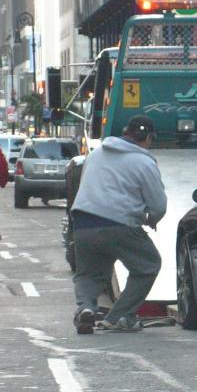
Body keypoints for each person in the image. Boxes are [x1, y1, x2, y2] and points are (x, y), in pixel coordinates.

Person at [72, 115, 167, 334]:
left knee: (89, 274)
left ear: (125, 132)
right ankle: (120, 316)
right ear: (148, 138)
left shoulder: (96, 155)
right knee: (148, 265)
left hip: (84, 222)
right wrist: (150, 220)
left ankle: (85, 309)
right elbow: (158, 205)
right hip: (119, 223)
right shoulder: (144, 162)